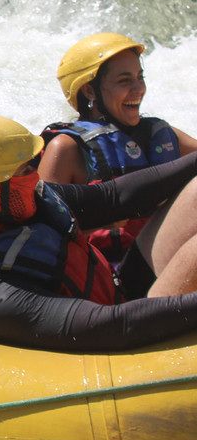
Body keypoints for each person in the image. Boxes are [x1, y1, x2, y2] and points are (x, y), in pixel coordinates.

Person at [0, 116, 197, 351]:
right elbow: (111, 326)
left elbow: (114, 197)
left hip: (116, 294)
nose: (35, 176)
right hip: (113, 337)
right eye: (24, 169)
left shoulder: (20, 202)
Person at [38, 32, 197, 266]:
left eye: (140, 77)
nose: (139, 88)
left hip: (162, 261)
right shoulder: (66, 148)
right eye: (124, 81)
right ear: (90, 91)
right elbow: (39, 237)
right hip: (106, 272)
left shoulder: (163, 134)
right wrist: (106, 221)